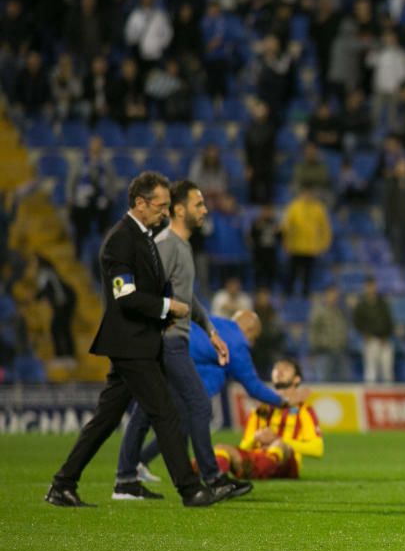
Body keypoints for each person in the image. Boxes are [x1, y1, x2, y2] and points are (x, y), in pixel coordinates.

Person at [45, 172, 223, 508]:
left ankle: (62, 484)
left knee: (107, 419)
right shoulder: (121, 241)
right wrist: (168, 306)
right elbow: (125, 296)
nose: (166, 213)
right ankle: (191, 489)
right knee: (167, 413)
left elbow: (146, 290)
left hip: (142, 341)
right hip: (131, 344)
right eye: (161, 206)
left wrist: (168, 309)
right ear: (140, 204)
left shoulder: (143, 236)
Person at [114, 180, 249, 501]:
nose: (204, 210)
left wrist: (211, 331)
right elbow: (144, 293)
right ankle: (212, 477)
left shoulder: (182, 246)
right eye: (198, 204)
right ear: (179, 209)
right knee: (199, 405)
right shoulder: (164, 245)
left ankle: (125, 479)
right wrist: (155, 327)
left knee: (151, 411)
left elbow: (187, 297)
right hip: (168, 340)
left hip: (177, 338)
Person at [130, 311, 308, 476]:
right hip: (173, 367)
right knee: (177, 426)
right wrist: (283, 402)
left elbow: (206, 368)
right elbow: (253, 387)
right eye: (255, 337)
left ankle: (171, 473)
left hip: (156, 354)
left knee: (166, 422)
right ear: (249, 329)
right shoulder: (237, 344)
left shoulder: (214, 324)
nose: (252, 343)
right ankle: (144, 464)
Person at [213, 358, 323, 480]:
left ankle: (255, 472)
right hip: (256, 458)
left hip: (287, 463)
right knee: (222, 448)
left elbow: (317, 449)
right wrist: (255, 438)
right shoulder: (260, 409)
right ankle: (215, 481)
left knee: (279, 445)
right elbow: (244, 446)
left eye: (286, 368)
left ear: (297, 379)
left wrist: (280, 441)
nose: (280, 371)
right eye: (276, 368)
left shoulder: (303, 410)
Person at [67, 136, 117, 258]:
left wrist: (111, 198)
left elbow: (112, 183)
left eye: (99, 145)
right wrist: (71, 198)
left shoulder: (106, 165)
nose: (97, 147)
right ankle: (78, 252)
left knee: (106, 217)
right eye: (94, 144)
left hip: (101, 202)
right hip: (83, 202)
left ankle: (107, 251)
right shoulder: (80, 163)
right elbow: (72, 182)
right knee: (79, 219)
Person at [281, 188, 332, 296]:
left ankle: (305, 295)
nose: (307, 195)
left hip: (311, 248)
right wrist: (286, 242)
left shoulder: (318, 208)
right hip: (295, 247)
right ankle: (288, 293)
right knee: (292, 272)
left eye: (309, 192)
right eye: (305, 192)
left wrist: (323, 245)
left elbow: (325, 228)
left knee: (308, 275)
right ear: (301, 193)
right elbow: (286, 226)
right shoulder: (294, 207)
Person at [33, 255, 77, 360]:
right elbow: (46, 290)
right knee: (62, 328)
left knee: (57, 328)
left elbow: (53, 288)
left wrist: (59, 300)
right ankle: (68, 355)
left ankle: (63, 356)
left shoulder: (44, 273)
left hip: (63, 301)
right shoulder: (48, 272)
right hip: (67, 299)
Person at [353, 277, 394, 383]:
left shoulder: (382, 304)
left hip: (384, 340)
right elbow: (357, 323)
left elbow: (389, 322)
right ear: (365, 288)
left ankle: (387, 394)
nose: (371, 288)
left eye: (373, 286)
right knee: (371, 371)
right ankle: (370, 394)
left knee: (387, 371)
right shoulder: (361, 305)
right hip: (370, 340)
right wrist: (365, 334)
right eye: (369, 286)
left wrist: (386, 336)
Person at [309, 284, 351, 381]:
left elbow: (345, 329)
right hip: (324, 352)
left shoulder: (341, 311)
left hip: (341, 351)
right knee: (324, 381)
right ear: (326, 295)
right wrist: (315, 348)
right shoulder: (319, 311)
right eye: (331, 294)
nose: (334, 297)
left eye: (336, 294)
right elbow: (313, 331)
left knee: (344, 382)